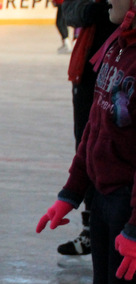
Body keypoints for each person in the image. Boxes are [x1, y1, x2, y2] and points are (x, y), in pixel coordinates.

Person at [36, 0, 136, 284]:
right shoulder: (115, 44)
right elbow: (94, 131)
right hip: (104, 198)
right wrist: (71, 193)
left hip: (130, 206)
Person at [56, 0, 118, 256]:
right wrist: (97, 7)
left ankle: (120, 230)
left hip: (122, 70)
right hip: (89, 76)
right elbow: (70, 11)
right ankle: (91, 230)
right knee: (87, 148)